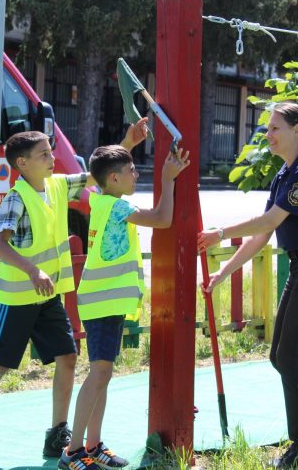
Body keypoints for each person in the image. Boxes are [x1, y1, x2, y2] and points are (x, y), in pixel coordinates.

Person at [0, 119, 149, 467]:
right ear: (22, 164)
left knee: (68, 357)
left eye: (50, 151)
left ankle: (58, 433)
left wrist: (127, 143)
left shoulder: (58, 186)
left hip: (48, 297)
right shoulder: (16, 199)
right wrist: (32, 269)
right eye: (43, 153)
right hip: (17, 300)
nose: (51, 157)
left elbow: (98, 176)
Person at [197, 102, 298, 469]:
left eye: (275, 128)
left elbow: (271, 218)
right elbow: (265, 233)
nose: (268, 135)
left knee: (289, 357)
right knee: (280, 356)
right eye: (268, 129)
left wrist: (220, 233)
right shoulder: (286, 173)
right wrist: (225, 272)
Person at [58, 144, 189, 470]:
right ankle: (72, 452)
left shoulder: (104, 200)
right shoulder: (116, 207)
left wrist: (127, 142)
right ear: (114, 178)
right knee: (100, 373)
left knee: (102, 374)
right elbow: (162, 219)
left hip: (105, 301)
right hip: (101, 303)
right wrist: (168, 179)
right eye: (131, 170)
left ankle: (93, 445)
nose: (136, 173)